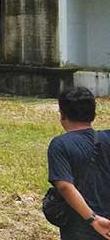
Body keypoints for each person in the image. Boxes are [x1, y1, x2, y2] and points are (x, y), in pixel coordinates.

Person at [47, 86, 110, 239]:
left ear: (63, 114)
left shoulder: (60, 144)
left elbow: (64, 186)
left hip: (80, 225)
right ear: (93, 114)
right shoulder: (107, 138)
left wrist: (93, 219)